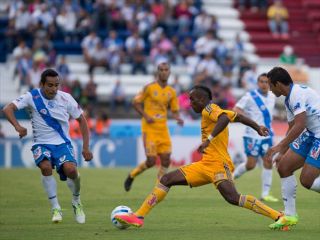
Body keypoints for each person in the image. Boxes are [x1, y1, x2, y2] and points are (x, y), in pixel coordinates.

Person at [115, 85, 282, 229]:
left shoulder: (209, 109)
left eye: (192, 99)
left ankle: (278, 216)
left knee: (233, 197)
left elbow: (224, 118)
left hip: (218, 164)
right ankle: (138, 217)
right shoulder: (209, 111)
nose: (190, 103)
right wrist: (256, 126)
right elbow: (236, 116)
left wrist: (208, 140)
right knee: (166, 179)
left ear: (202, 99)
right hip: (205, 165)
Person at [2, 69, 93, 224]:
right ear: (42, 84)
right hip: (41, 143)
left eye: (56, 85)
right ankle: (55, 208)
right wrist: (17, 126)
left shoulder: (66, 98)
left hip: (63, 143)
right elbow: (7, 109)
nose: (53, 89)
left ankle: (76, 201)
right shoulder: (32, 96)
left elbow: (82, 120)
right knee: (45, 168)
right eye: (50, 85)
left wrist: (86, 147)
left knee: (71, 171)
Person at [265, 67, 320, 230]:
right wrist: (282, 153)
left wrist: (278, 147)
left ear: (278, 84)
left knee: (306, 180)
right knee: (283, 167)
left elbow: (299, 125)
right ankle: (289, 216)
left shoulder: (296, 94)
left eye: (270, 85)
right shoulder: (288, 98)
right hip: (311, 134)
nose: (269, 89)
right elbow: (291, 127)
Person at [124, 62, 184, 192]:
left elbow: (174, 110)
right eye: (161, 70)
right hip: (149, 129)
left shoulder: (171, 92)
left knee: (166, 160)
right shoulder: (149, 88)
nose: (164, 72)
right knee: (151, 161)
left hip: (163, 129)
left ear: (169, 72)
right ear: (158, 72)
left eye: (166, 69)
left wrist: (178, 118)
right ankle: (132, 175)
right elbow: (135, 102)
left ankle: (158, 188)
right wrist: (146, 115)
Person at [233, 73, 278, 202]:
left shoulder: (272, 96)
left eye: (266, 82)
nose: (264, 84)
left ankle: (265, 194)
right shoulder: (250, 96)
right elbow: (236, 110)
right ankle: (230, 179)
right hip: (252, 135)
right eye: (262, 82)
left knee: (268, 161)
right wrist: (248, 121)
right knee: (251, 164)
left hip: (267, 135)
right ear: (258, 83)